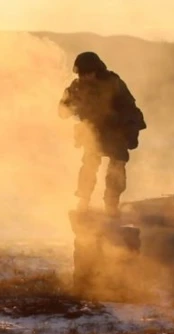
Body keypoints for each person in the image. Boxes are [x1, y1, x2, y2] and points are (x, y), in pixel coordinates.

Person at [59, 52, 146, 216]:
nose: (83, 77)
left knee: (117, 167)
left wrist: (129, 131)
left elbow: (131, 110)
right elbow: (62, 111)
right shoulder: (77, 86)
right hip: (92, 132)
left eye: (87, 73)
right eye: (81, 74)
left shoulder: (114, 83)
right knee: (89, 165)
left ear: (95, 71)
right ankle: (83, 202)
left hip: (115, 132)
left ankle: (111, 205)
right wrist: (71, 105)